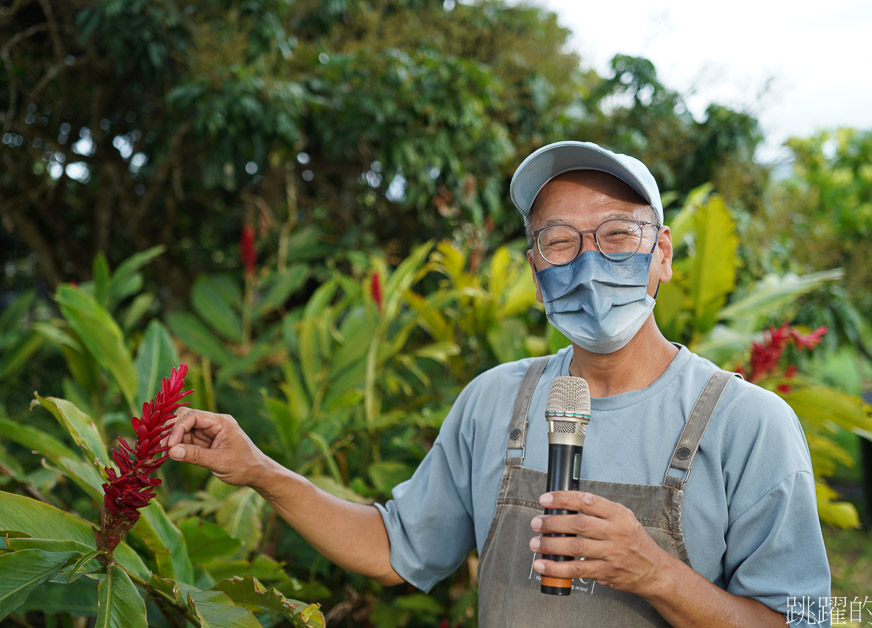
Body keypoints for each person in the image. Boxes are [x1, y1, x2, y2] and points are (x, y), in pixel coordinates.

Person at [166, 141, 831, 627]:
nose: (590, 261)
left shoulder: (750, 423)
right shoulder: (495, 401)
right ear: (535, 268)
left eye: (618, 236)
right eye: (560, 242)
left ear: (662, 255)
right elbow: (394, 547)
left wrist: (657, 574)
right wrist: (259, 471)